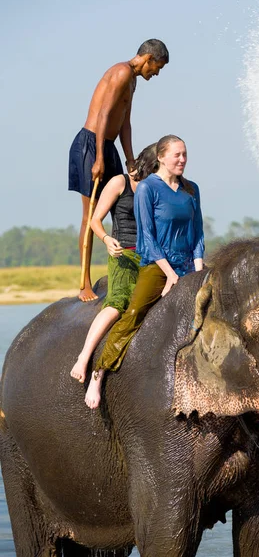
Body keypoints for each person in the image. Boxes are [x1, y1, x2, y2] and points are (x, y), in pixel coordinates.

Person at [85, 134, 205, 409]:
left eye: (185, 154)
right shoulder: (148, 188)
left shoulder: (192, 189)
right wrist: (170, 273)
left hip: (188, 263)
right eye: (177, 154)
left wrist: (197, 271)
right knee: (134, 312)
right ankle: (99, 371)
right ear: (161, 157)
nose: (182, 159)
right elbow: (147, 239)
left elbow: (197, 233)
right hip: (157, 265)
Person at [68, 39, 169, 302]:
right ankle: (84, 284)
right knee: (89, 214)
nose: (156, 74)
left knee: (120, 206)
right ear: (147, 58)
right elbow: (103, 114)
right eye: (156, 67)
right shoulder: (122, 72)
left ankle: (124, 271)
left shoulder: (133, 80)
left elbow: (125, 122)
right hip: (91, 144)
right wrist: (99, 157)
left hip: (108, 145)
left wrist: (129, 159)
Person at [70, 143, 158, 384]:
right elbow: (95, 219)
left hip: (152, 255)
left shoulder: (158, 188)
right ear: (149, 165)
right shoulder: (120, 182)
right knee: (118, 302)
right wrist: (107, 239)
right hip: (123, 253)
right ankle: (84, 356)